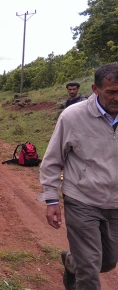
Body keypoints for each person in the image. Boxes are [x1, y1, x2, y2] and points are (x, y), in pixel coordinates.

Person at [40, 63, 118, 290]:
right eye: (111, 92)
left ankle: (72, 262)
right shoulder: (73, 116)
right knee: (90, 271)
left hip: (115, 203)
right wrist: (51, 199)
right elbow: (53, 160)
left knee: (107, 261)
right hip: (82, 199)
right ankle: (80, 265)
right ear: (95, 88)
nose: (116, 97)